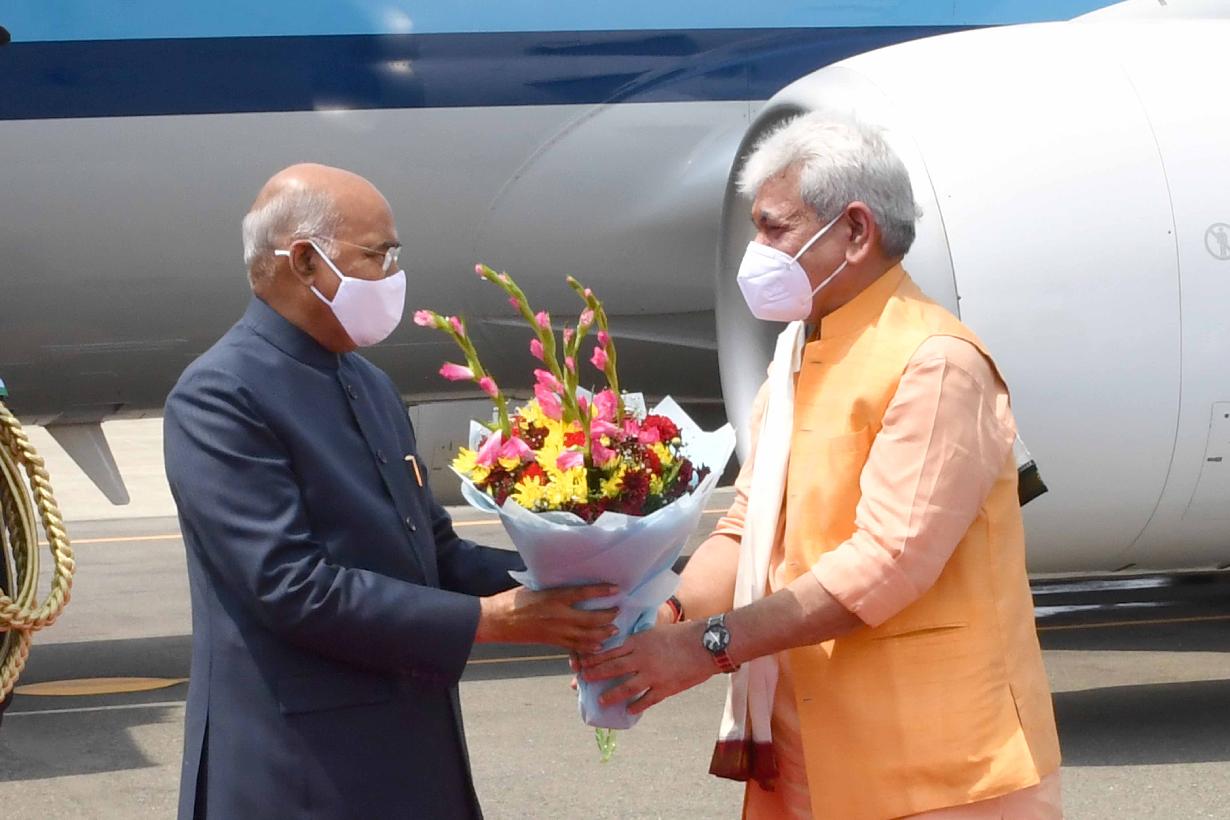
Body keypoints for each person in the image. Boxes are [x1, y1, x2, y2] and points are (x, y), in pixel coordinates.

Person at [582, 114, 1062, 819]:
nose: (756, 253)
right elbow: (749, 529)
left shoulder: (935, 362)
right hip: (806, 748)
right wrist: (663, 619)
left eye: (774, 229)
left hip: (934, 769)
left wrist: (705, 647)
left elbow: (885, 564)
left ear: (856, 231)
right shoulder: (796, 353)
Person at [164, 163, 617, 819]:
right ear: (306, 261)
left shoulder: (366, 383)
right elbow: (291, 587)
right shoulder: (221, 395)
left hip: (409, 758)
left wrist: (586, 573)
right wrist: (492, 621)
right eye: (379, 255)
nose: (393, 275)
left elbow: (434, 554)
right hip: (297, 774)